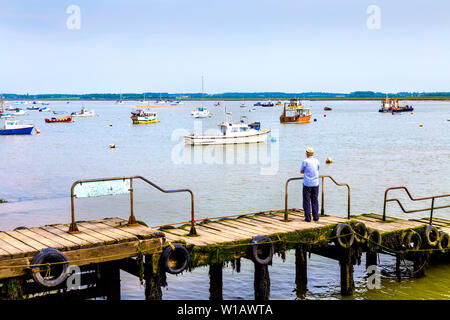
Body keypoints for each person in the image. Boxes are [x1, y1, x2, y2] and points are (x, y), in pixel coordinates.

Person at [300, 147, 320, 222]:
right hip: (315, 183)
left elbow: (301, 171)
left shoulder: (305, 161)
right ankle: (316, 217)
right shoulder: (317, 161)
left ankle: (308, 218)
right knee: (315, 200)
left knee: (306, 201)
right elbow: (318, 169)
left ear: (307, 154)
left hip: (307, 183)